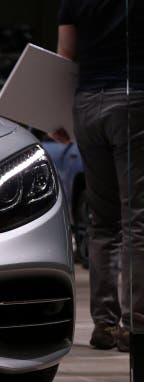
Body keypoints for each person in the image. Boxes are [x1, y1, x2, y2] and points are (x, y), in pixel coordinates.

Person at [55, 0, 143, 352]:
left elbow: (64, 58)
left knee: (102, 221)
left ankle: (104, 324)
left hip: (88, 104)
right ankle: (137, 323)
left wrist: (58, 116)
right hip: (134, 98)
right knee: (137, 217)